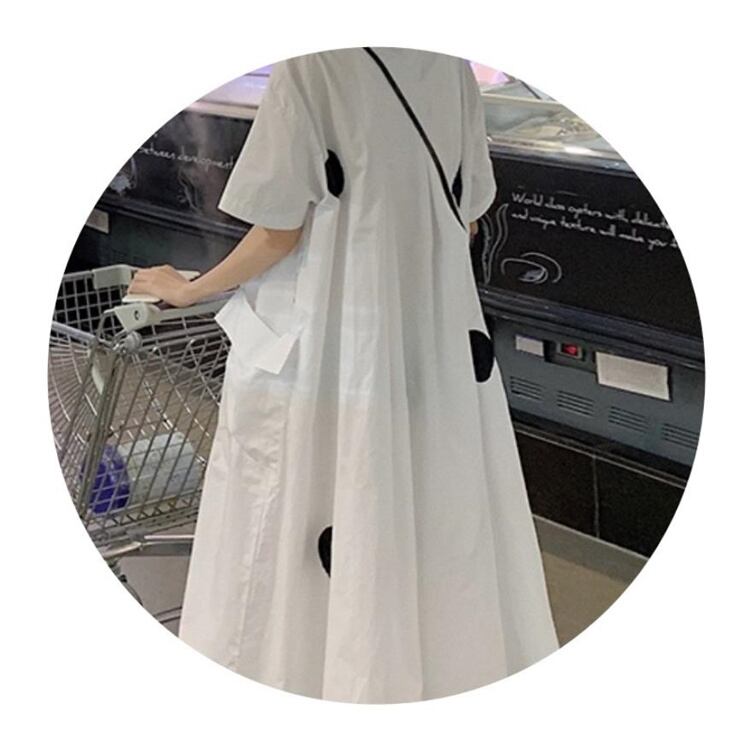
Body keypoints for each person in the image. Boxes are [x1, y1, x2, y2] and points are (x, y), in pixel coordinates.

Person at [128, 46, 559, 703]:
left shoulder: (311, 64)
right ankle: (424, 669)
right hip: (435, 342)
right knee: (427, 500)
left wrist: (190, 289)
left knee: (318, 501)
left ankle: (323, 674)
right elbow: (468, 216)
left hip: (332, 345)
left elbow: (279, 231)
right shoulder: (449, 65)